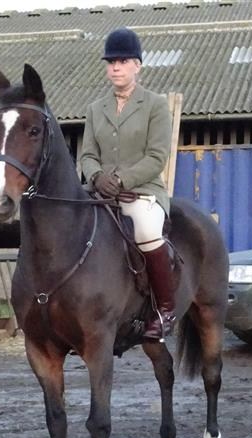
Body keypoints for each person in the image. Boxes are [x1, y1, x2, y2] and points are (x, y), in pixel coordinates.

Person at [79, 27, 176, 341]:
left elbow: (157, 157)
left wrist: (121, 179)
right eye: (111, 62)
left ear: (137, 65)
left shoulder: (155, 105)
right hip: (101, 193)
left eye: (122, 61)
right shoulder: (95, 109)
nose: (115, 68)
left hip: (142, 192)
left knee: (146, 231)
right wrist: (96, 176)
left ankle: (165, 309)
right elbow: (87, 155)